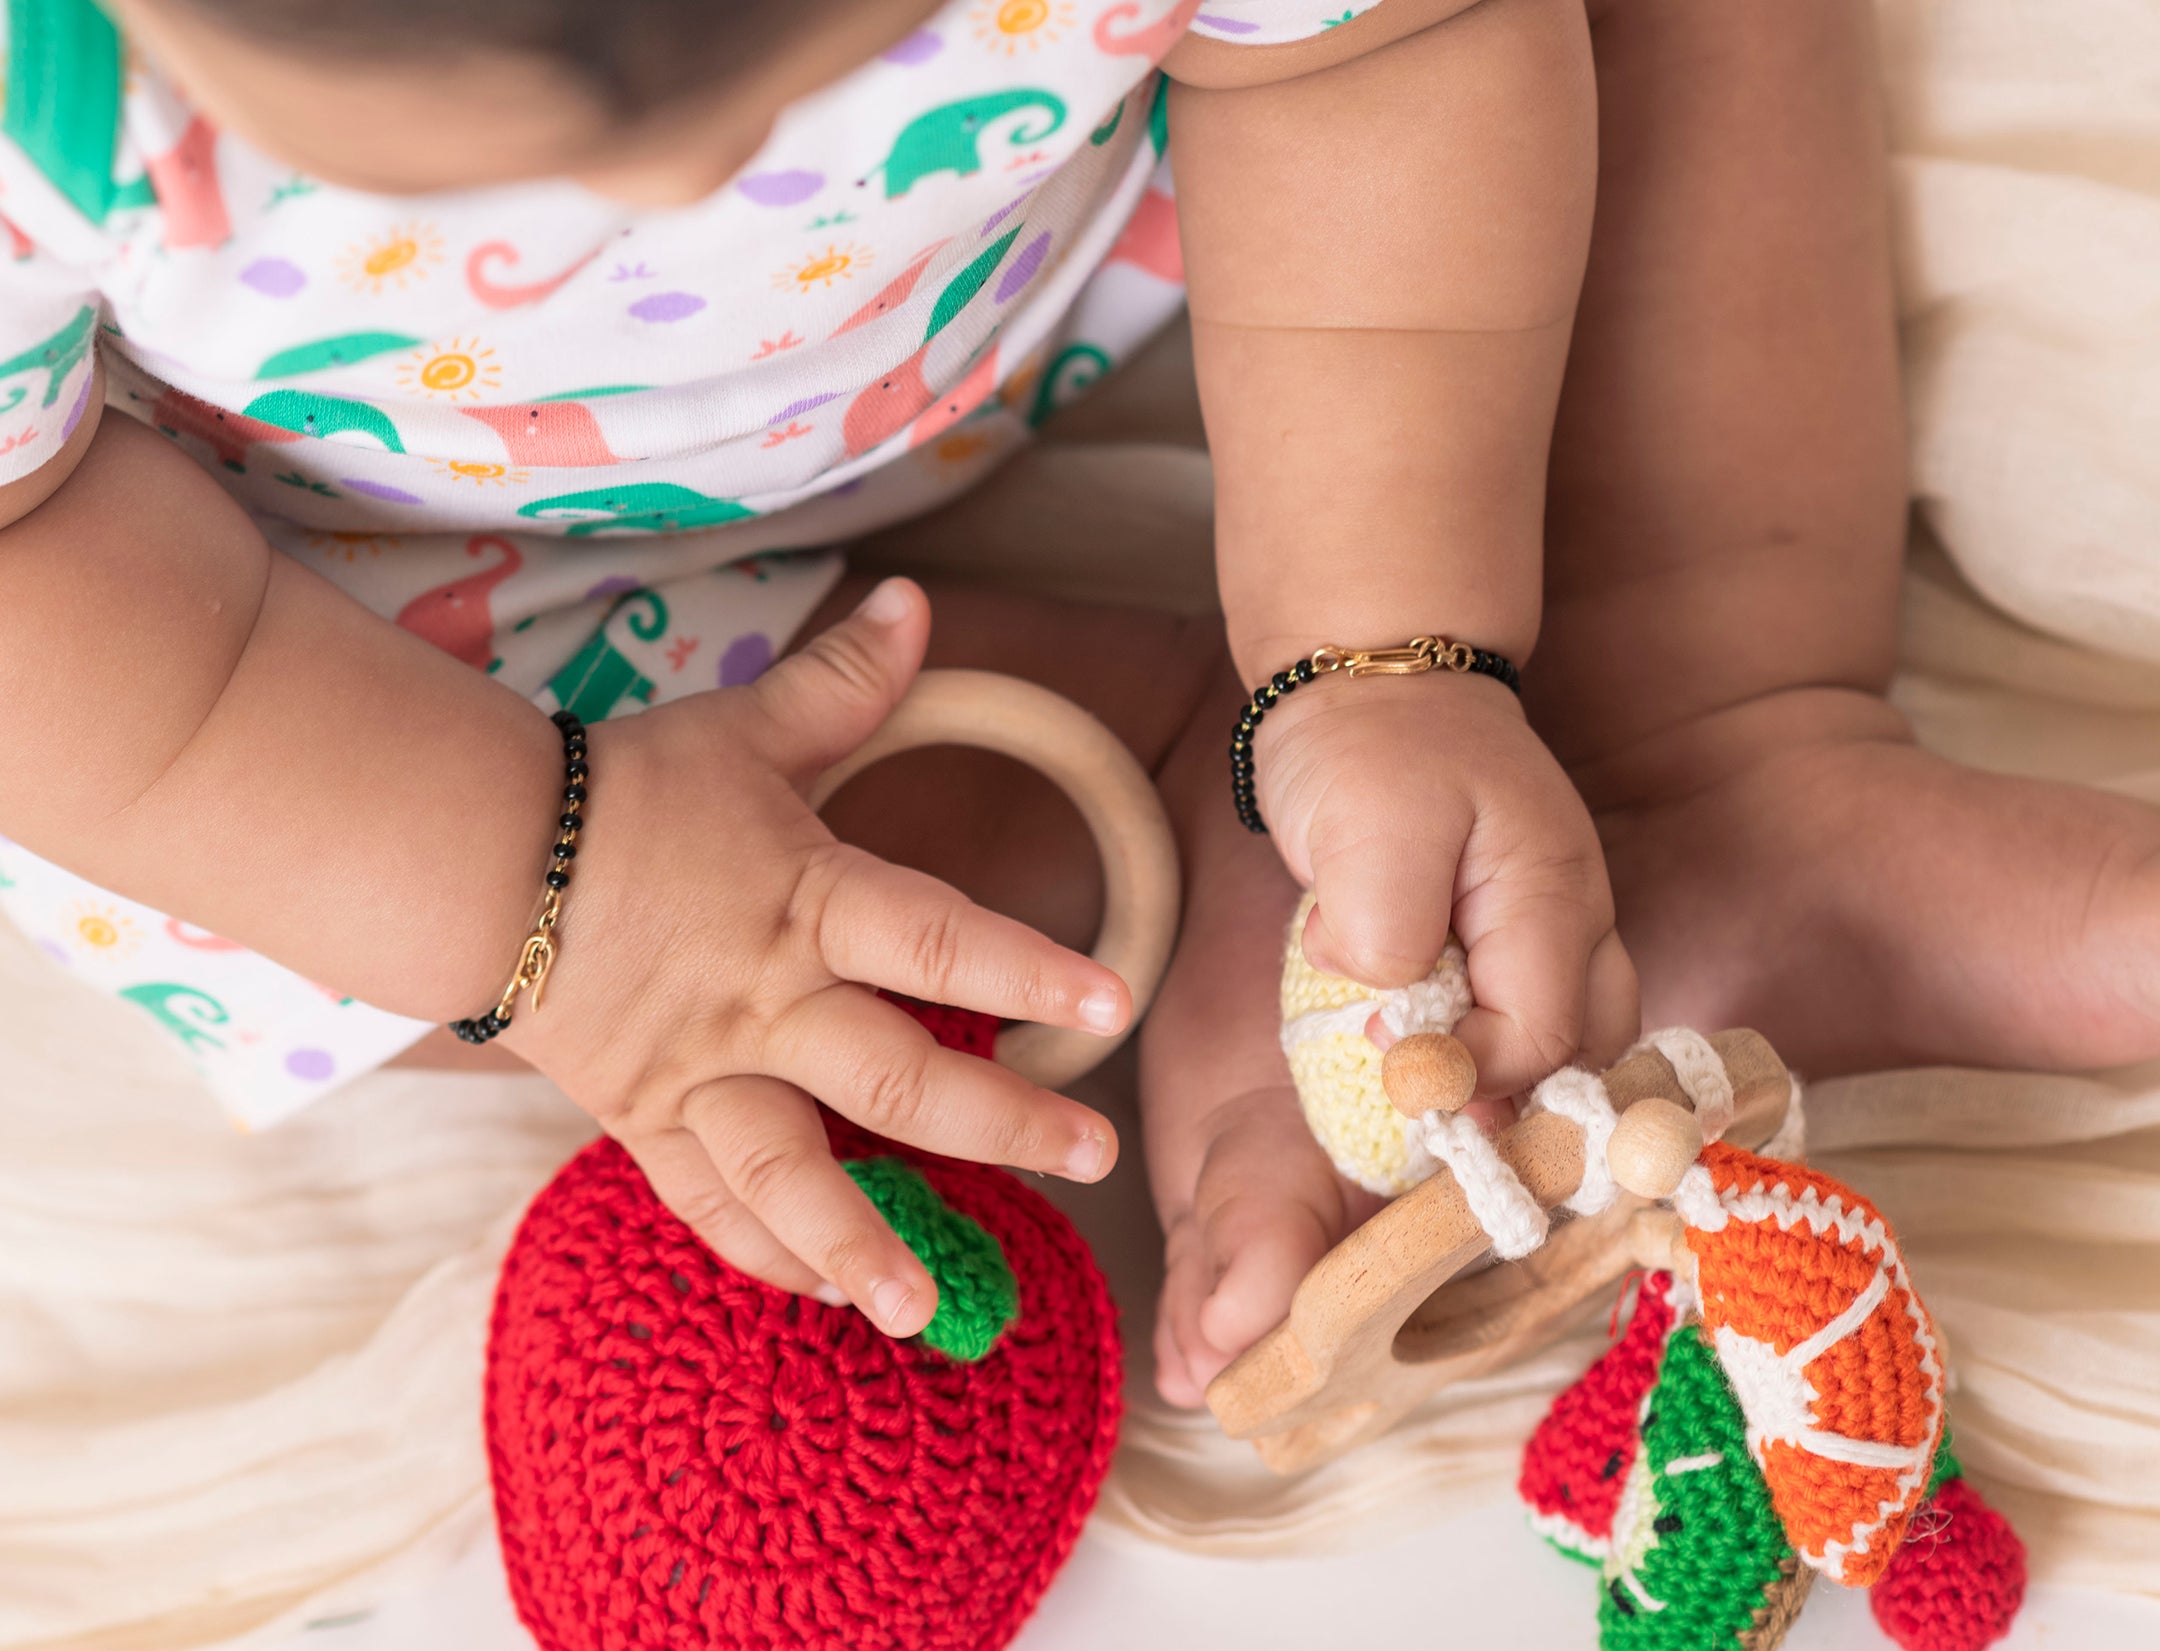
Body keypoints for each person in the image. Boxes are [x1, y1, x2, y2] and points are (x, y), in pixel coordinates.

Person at [1, 0, 2151, 1412]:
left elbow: (1377, 56)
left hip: (1149, 181)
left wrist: (1381, 639)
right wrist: (562, 885)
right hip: (367, 544)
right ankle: (1181, 811)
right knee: (319, 869)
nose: (676, 182)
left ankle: (1729, 724)